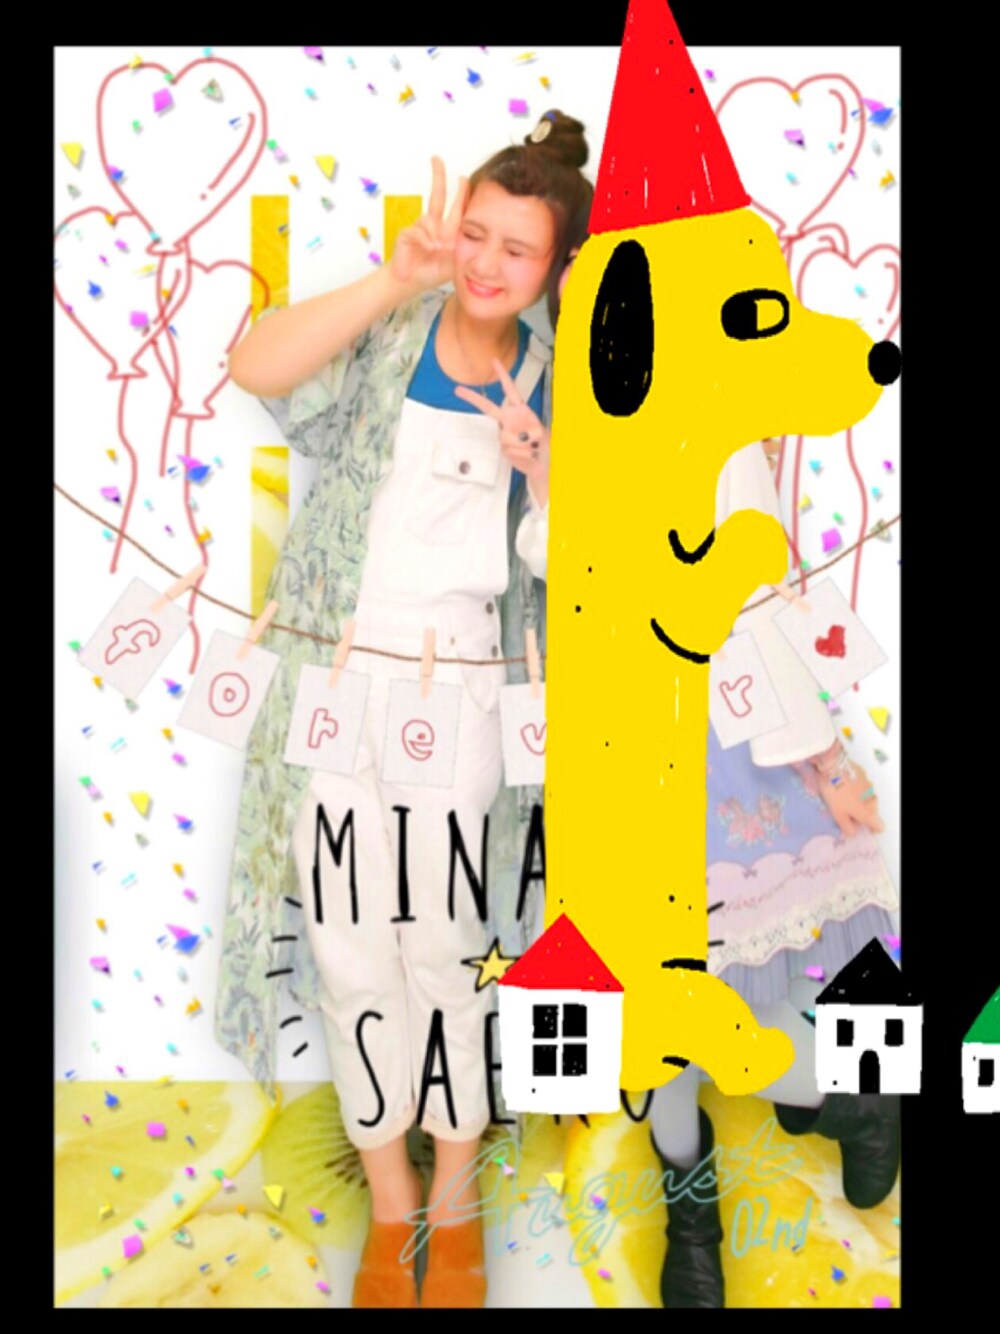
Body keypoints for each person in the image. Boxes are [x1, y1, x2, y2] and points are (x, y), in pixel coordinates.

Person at [216, 110, 593, 1310]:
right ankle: (390, 1202)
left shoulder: (567, 382)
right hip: (335, 682)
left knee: (442, 944)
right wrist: (393, 277)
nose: (485, 262)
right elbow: (255, 366)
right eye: (475, 233)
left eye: (516, 248)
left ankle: (455, 1195)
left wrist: (546, 471)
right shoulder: (392, 333)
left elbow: (584, 573)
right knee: (345, 943)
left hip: (459, 690)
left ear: (554, 268)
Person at [646, 436, 900, 1308]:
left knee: (710, 1003)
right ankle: (693, 1217)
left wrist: (826, 764)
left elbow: (759, 595)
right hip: (618, 746)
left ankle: (845, 1095)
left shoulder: (715, 431)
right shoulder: (577, 428)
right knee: (652, 1008)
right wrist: (541, 477)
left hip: (724, 741)